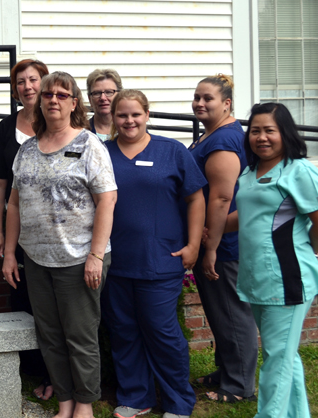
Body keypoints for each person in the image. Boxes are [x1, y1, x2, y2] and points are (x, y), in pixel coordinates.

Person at [2, 71, 117, 418]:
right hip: (37, 258)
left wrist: (96, 255)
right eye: (48, 93)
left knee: (80, 337)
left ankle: (84, 404)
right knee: (50, 335)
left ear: (73, 103)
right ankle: (65, 399)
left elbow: (108, 201)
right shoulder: (27, 149)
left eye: (61, 95)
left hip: (79, 258)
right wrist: (10, 253)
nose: (53, 99)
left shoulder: (88, 145)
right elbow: (14, 204)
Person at [102, 90, 205, 418]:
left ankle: (178, 402)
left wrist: (193, 245)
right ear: (113, 118)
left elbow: (196, 199)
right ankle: (136, 397)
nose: (129, 121)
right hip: (115, 261)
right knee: (123, 330)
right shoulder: (102, 153)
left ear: (147, 115)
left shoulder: (171, 151)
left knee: (162, 331)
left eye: (135, 114)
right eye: (122, 115)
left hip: (159, 260)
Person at [223, 103, 317, 418]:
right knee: (284, 356)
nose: (261, 137)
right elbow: (245, 216)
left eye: (269, 131)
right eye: (255, 131)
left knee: (277, 357)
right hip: (256, 278)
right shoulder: (250, 172)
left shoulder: (298, 170)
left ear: (284, 133)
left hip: (287, 278)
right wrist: (202, 229)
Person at [189, 74, 258, 403]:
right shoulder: (212, 135)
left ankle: (239, 386)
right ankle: (227, 370)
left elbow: (220, 198)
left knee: (232, 312)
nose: (200, 103)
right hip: (212, 241)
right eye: (197, 97)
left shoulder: (223, 141)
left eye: (208, 98)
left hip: (224, 246)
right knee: (220, 312)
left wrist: (212, 247)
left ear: (227, 104)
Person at [0, 58, 53, 401]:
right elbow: (0, 183)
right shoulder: (5, 126)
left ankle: (54, 375)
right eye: (20, 83)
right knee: (23, 300)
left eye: (33, 80)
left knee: (53, 306)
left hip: (55, 229)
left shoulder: (56, 120)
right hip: (19, 229)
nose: (27, 87)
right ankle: (32, 370)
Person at [85, 69, 123, 141]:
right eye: (97, 93)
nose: (103, 98)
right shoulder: (80, 133)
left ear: (120, 96)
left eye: (109, 92)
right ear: (90, 99)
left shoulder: (131, 129)